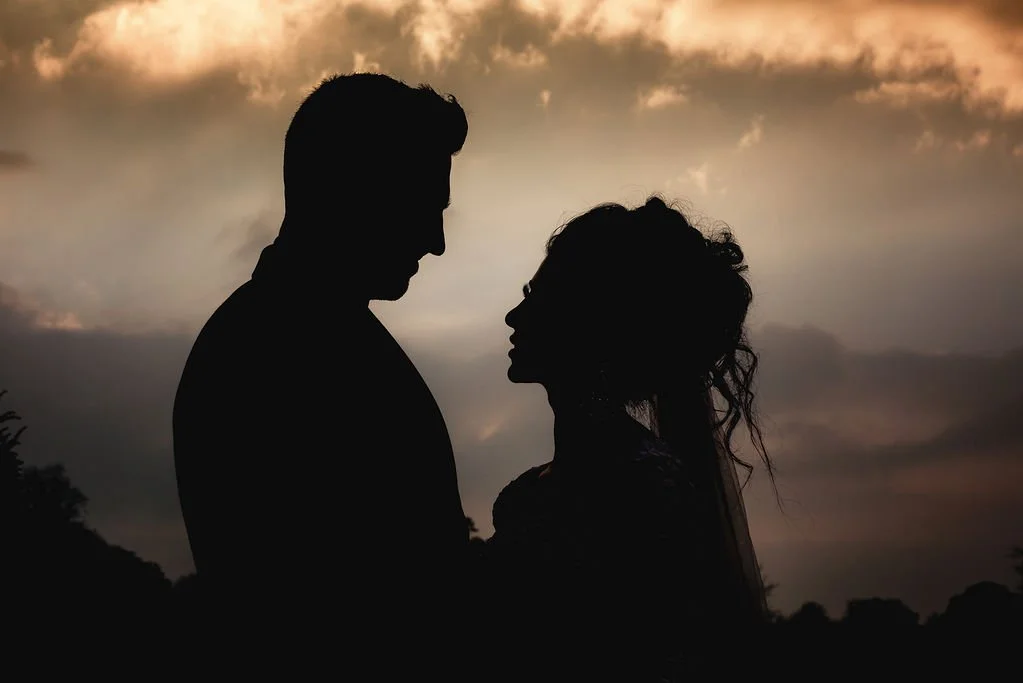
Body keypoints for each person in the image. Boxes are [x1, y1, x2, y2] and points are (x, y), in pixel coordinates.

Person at [171, 73, 470, 665]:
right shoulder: (272, 353)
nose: (436, 242)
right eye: (423, 207)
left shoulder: (298, 335)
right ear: (356, 191)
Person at [485, 196, 776, 681]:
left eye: (539, 297)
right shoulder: (569, 481)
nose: (514, 316)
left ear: (592, 324)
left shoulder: (640, 486)